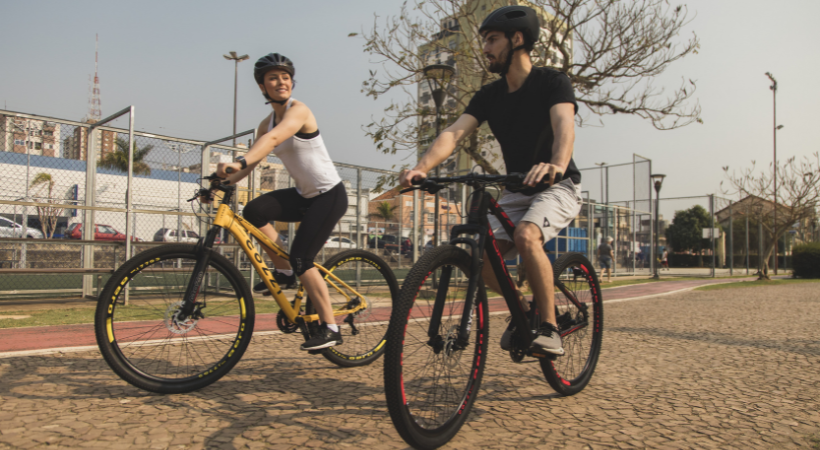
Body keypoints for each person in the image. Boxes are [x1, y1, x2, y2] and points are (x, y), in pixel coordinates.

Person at [399, 5, 583, 355]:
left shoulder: (551, 82)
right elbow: (454, 134)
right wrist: (421, 166)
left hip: (558, 186)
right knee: (478, 257)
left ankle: (550, 328)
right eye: (484, 40)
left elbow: (564, 126)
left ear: (517, 39)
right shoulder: (489, 96)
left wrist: (556, 164)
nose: (485, 48)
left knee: (526, 235)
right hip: (517, 189)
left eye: (492, 39)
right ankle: (525, 311)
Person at [214, 53, 347, 351]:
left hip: (330, 195)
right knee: (254, 210)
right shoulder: (266, 122)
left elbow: (273, 141)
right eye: (273, 77)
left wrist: (238, 160)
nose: (281, 82)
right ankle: (284, 269)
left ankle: (330, 327)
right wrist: (220, 182)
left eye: (285, 77)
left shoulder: (299, 111)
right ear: (262, 86)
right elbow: (251, 163)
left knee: (304, 258)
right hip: (304, 195)